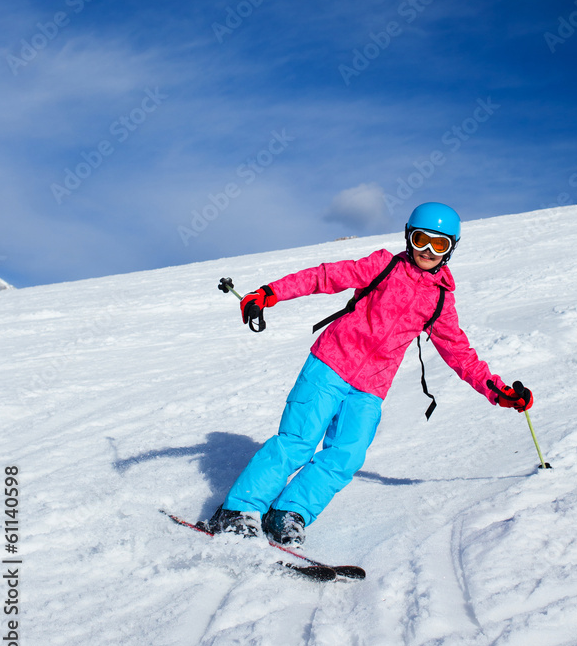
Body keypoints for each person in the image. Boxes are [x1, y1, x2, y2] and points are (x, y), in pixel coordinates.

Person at [200, 202, 532, 546]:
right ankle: (238, 510)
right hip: (330, 363)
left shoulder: (439, 301)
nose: (428, 252)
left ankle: (288, 513)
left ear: (451, 249)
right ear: (409, 237)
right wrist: (269, 293)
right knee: (298, 441)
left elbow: (459, 353)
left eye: (439, 245)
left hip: (372, 387)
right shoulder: (384, 266)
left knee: (346, 455)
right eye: (421, 240)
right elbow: (325, 276)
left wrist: (499, 392)